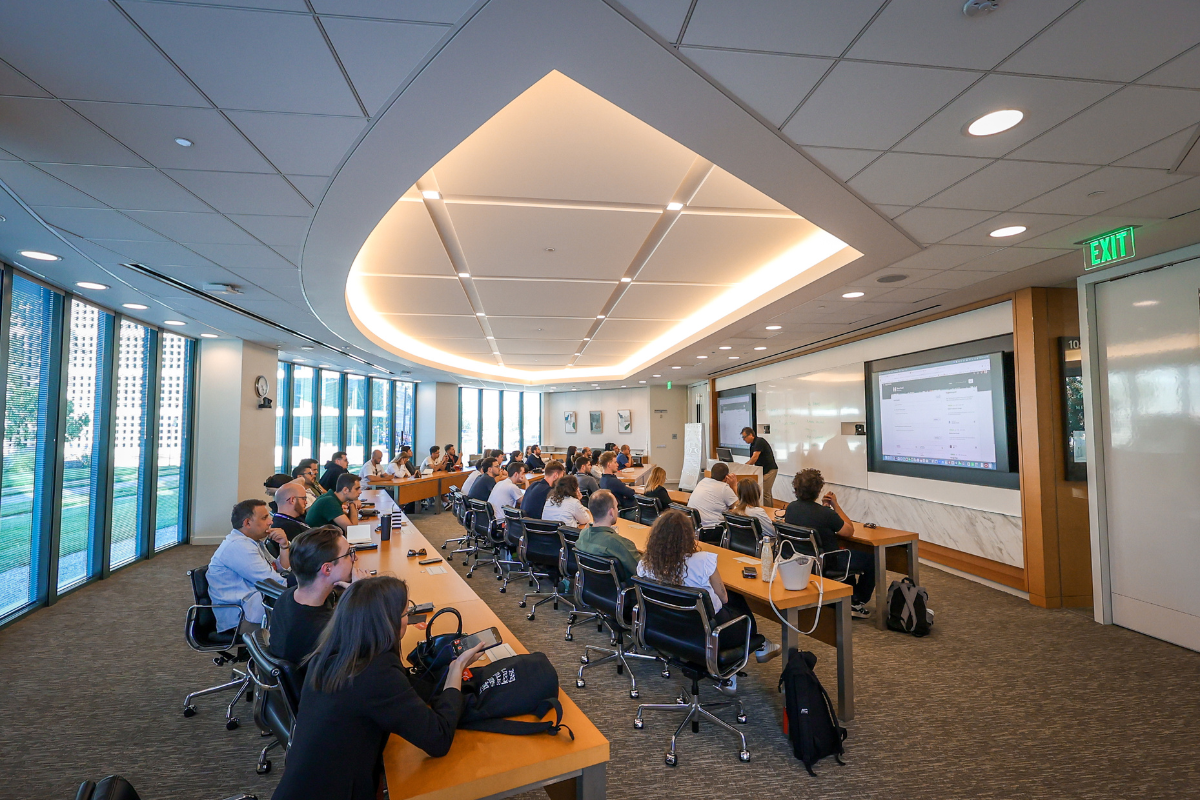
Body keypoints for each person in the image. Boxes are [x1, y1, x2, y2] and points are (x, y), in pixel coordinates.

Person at [271, 577, 484, 800]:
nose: (408, 618)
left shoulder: (330, 652)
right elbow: (438, 739)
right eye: (406, 613)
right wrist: (456, 670)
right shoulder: (376, 673)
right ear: (388, 623)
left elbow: (401, 691)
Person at [637, 510, 780, 694]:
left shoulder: (645, 565)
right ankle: (757, 646)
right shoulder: (703, 561)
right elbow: (724, 598)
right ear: (688, 536)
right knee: (735, 599)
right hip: (710, 634)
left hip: (668, 630)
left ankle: (757, 649)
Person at [784, 468, 875, 619]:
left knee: (847, 553)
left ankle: (847, 594)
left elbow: (814, 520)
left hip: (802, 559)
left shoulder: (791, 508)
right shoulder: (826, 514)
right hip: (828, 561)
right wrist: (835, 506)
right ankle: (858, 599)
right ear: (818, 490)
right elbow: (849, 531)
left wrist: (825, 509)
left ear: (796, 488)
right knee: (872, 558)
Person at [268, 526, 366, 665]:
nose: (355, 558)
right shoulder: (327, 631)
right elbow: (372, 646)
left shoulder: (287, 596)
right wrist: (364, 595)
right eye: (349, 553)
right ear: (327, 568)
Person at [207, 499, 290, 634]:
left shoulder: (252, 543)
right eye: (264, 518)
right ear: (247, 523)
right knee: (307, 623)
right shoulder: (238, 546)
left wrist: (284, 546)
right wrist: (307, 585)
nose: (270, 522)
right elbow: (273, 583)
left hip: (258, 610)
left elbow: (279, 570)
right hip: (242, 620)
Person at [574, 490, 639, 584]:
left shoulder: (582, 535)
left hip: (590, 587)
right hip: (622, 591)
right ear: (611, 512)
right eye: (616, 506)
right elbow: (641, 572)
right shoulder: (619, 544)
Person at [688, 461, 738, 529]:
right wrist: (734, 486)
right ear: (726, 477)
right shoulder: (724, 488)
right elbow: (739, 506)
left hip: (696, 527)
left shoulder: (702, 482)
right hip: (713, 528)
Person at [741, 427, 779, 509]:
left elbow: (754, 458)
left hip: (770, 470)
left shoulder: (759, 441)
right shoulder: (752, 445)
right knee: (765, 492)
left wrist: (743, 467)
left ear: (751, 435)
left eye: (744, 437)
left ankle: (768, 511)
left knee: (765, 492)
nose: (743, 439)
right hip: (763, 471)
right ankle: (768, 509)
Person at [358, 449, 399, 515]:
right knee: (388, 493)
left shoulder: (378, 465)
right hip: (366, 489)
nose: (381, 460)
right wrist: (385, 478)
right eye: (379, 458)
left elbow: (385, 475)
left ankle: (391, 510)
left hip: (376, 487)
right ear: (373, 457)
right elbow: (371, 478)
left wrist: (389, 477)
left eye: (381, 458)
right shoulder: (368, 466)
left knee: (391, 492)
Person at [599, 451, 637, 519]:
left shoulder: (602, 479)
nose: (618, 464)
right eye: (615, 462)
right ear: (609, 464)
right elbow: (632, 493)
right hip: (627, 511)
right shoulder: (613, 481)